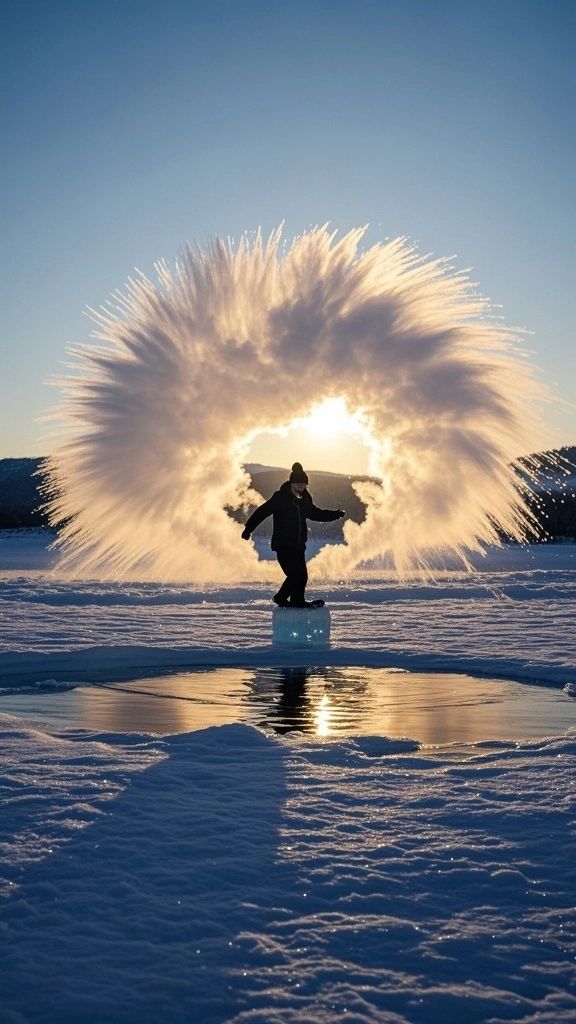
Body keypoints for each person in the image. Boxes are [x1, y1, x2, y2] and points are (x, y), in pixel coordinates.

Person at [241, 462, 345, 608]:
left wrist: (335, 515)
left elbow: (315, 513)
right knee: (295, 575)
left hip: (298, 545)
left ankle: (297, 600)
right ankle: (280, 598)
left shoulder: (305, 499)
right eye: (298, 485)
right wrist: (248, 529)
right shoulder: (280, 497)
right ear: (291, 484)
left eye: (303, 485)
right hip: (283, 544)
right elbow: (262, 512)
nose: (301, 488)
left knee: (302, 576)